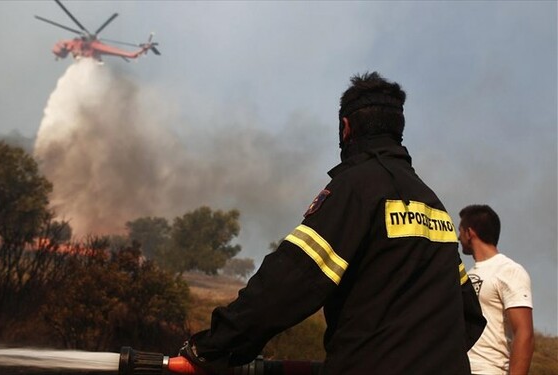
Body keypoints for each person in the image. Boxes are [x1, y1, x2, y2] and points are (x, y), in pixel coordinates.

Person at [180, 72, 486, 374]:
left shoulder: (356, 189)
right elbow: (470, 315)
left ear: (346, 128)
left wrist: (211, 349)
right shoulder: (434, 206)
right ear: (398, 129)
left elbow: (291, 280)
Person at [459, 204, 534, 375]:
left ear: (470, 233)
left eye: (460, 231)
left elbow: (524, 333)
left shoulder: (509, 270)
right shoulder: (467, 276)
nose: (458, 237)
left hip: (491, 369)